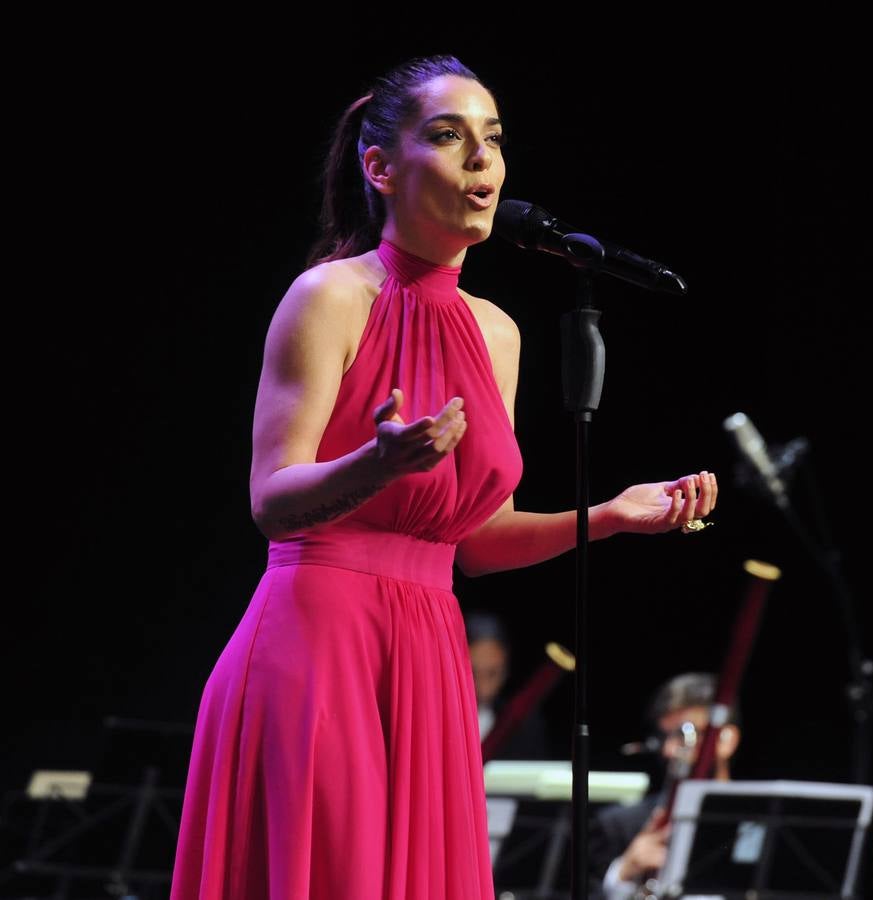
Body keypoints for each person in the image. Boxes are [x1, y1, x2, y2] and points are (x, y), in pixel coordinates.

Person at [170, 54, 717, 900]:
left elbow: (475, 543)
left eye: (492, 140)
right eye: (449, 136)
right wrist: (375, 462)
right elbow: (271, 501)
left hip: (428, 656)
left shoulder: (497, 333)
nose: (481, 161)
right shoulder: (330, 298)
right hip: (319, 645)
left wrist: (607, 516)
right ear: (379, 167)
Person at [591, 673, 741, 900]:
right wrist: (622, 876)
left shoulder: (761, 823)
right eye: (665, 737)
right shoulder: (618, 826)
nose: (669, 750)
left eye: (686, 734)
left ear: (726, 740)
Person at [465, 611, 553, 760]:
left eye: (492, 673)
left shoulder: (522, 724)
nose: (483, 688)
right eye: (474, 673)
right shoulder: (437, 719)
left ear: (506, 669)